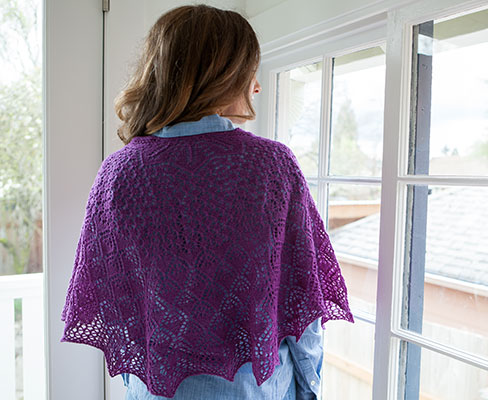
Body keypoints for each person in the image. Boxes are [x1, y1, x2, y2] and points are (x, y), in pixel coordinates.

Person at [61, 5, 353, 400]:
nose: (257, 86)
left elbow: (121, 313)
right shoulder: (271, 166)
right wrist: (309, 388)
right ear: (221, 74)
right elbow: (303, 311)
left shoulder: (118, 173)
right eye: (250, 70)